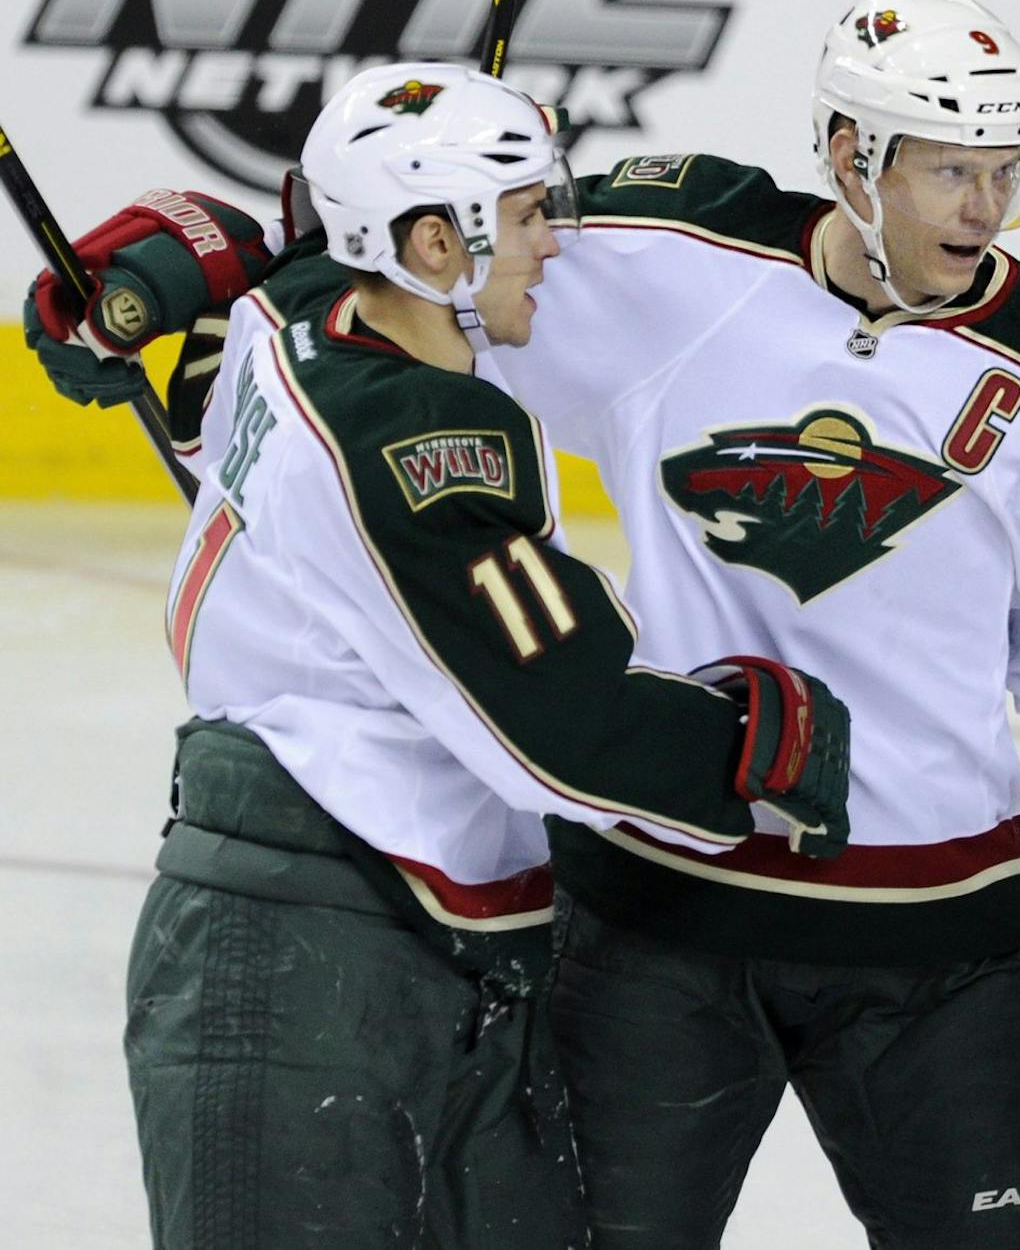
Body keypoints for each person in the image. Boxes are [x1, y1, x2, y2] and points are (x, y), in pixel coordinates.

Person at [27, 0, 1020, 1250]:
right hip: (653, 922)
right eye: (950, 171)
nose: (986, 209)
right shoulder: (669, 248)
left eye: (1008, 170)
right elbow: (387, 244)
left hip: (939, 944)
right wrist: (198, 263)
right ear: (850, 157)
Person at [34, 63, 853, 1249]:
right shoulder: (417, 441)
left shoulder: (296, 319)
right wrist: (753, 739)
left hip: (427, 944)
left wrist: (188, 248)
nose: (551, 249)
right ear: (430, 247)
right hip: (301, 954)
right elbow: (562, 731)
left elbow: (280, 263)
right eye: (523, 218)